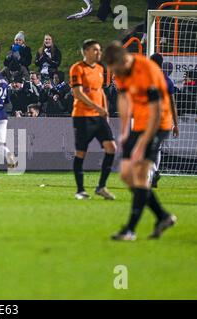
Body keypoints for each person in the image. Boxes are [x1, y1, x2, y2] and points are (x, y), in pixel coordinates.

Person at [102, 41, 177, 241]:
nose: (114, 73)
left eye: (115, 68)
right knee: (127, 175)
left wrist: (142, 144)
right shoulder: (122, 71)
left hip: (158, 124)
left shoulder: (148, 72)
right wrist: (126, 130)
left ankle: (130, 230)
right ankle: (163, 216)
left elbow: (156, 113)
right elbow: (124, 99)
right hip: (139, 125)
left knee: (141, 173)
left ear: (123, 59)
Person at [69, 39, 117, 200]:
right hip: (82, 117)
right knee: (81, 152)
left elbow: (100, 91)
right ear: (86, 51)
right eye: (95, 50)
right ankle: (80, 190)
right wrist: (97, 108)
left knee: (111, 148)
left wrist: (105, 111)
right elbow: (78, 93)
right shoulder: (77, 68)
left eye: (99, 50)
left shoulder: (99, 69)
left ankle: (101, 186)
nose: (99, 53)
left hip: (99, 117)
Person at [149, 53, 179, 188]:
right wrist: (176, 124)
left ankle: (153, 173)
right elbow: (173, 103)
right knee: (157, 148)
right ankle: (153, 174)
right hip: (165, 120)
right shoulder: (168, 81)